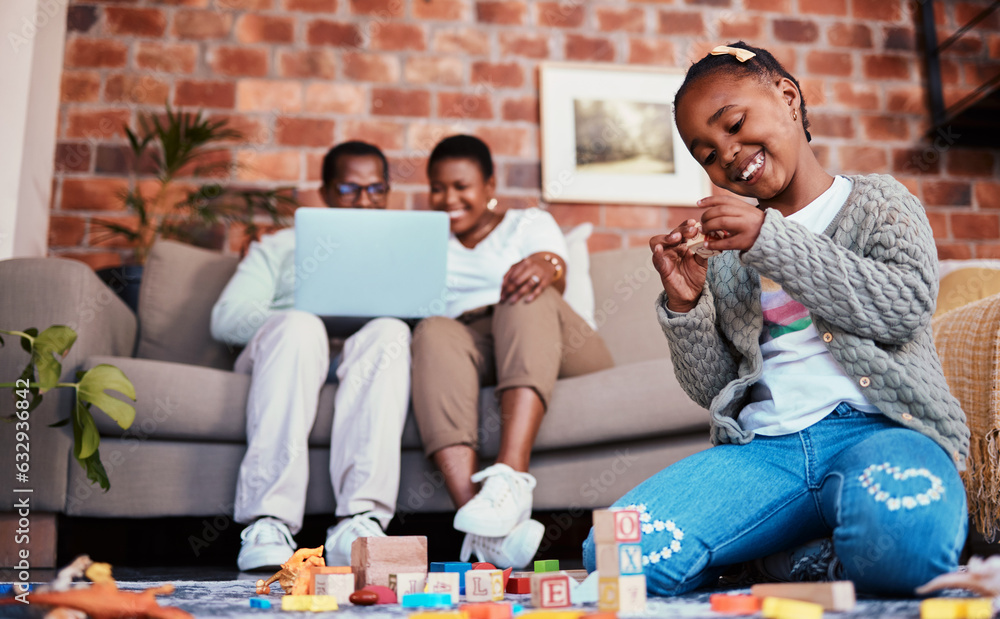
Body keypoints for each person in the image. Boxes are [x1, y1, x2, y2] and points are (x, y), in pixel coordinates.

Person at [583, 42, 970, 596]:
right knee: (614, 555)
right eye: (708, 155)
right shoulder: (725, 257)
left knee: (905, 543)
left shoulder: (880, 202)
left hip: (881, 430)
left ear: (788, 98)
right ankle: (794, 558)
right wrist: (685, 304)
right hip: (766, 453)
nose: (729, 155)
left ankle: (781, 562)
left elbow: (902, 307)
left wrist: (770, 239)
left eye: (734, 124)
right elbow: (716, 388)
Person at [412, 135, 615, 569]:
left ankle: (511, 477)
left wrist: (545, 265)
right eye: (437, 187)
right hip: (471, 347)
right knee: (431, 331)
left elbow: (551, 267)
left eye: (461, 186)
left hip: (554, 339)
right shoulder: (424, 242)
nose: (448, 198)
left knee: (524, 290)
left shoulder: (526, 222)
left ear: (489, 186)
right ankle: (484, 531)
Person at [211, 141, 410, 571]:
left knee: (391, 331)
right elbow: (226, 319)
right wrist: (307, 311)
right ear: (324, 192)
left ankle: (360, 522)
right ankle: (268, 522)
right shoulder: (281, 246)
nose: (365, 202)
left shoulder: (402, 252)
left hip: (362, 360)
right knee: (301, 328)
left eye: (377, 189)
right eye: (349, 190)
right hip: (288, 354)